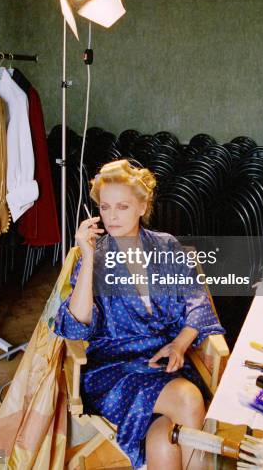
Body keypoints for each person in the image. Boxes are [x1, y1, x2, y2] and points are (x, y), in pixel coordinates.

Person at [54, 160, 225, 469]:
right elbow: (76, 327)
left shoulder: (167, 247)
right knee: (188, 400)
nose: (112, 216)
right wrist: (88, 257)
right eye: (105, 207)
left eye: (122, 206)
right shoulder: (97, 257)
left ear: (143, 206)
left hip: (164, 363)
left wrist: (180, 345)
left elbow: (198, 303)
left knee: (163, 438)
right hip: (115, 370)